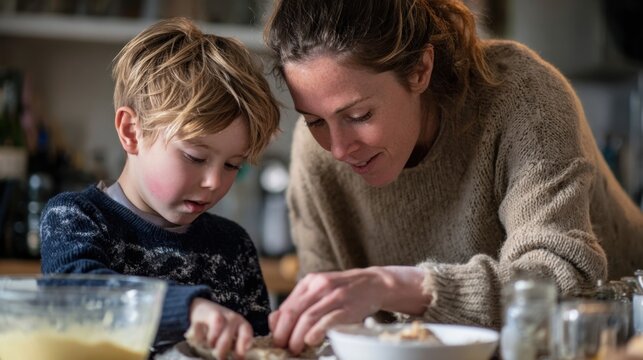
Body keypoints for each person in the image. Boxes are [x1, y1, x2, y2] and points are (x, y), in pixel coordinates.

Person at [263, 0, 643, 354]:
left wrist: (394, 286)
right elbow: (325, 319)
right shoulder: (317, 153)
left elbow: (558, 281)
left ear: (419, 70)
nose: (339, 148)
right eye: (314, 120)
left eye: (359, 116)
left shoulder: (521, 96)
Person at [40, 17, 280, 359]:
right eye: (195, 157)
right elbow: (74, 296)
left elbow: (258, 346)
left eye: (232, 165)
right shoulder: (76, 218)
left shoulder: (234, 246)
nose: (214, 182)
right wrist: (187, 309)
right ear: (131, 132)